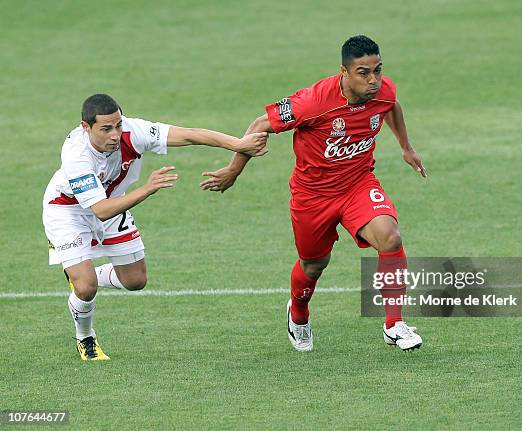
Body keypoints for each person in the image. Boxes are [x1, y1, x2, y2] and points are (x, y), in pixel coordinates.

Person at [201, 35, 426, 352]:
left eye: (378, 70)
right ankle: (299, 312)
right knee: (314, 264)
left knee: (390, 237)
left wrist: (406, 147)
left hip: (358, 183)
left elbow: (391, 106)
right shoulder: (312, 102)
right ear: (344, 72)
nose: (374, 80)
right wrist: (234, 169)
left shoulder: (383, 90)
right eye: (364, 72)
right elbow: (259, 125)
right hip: (313, 196)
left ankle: (393, 324)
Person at [43, 93, 268, 360]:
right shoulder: (76, 155)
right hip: (68, 210)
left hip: (114, 201)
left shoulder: (132, 130)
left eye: (118, 126)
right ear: (85, 127)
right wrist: (147, 189)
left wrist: (237, 143)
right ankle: (85, 337)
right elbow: (100, 212)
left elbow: (188, 134)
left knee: (136, 281)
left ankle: (79, 272)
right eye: (106, 129)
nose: (115, 134)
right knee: (86, 288)